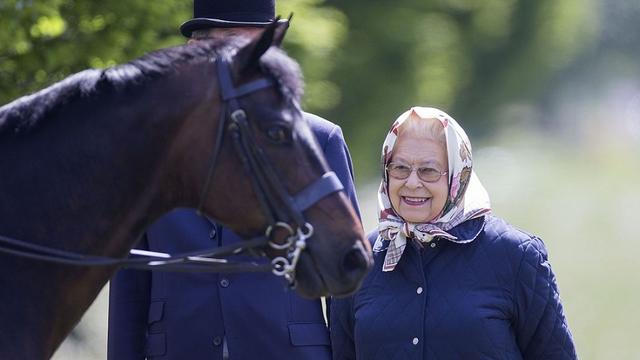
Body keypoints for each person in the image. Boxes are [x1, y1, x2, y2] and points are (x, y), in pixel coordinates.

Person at [107, 1, 361, 359]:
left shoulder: (320, 140)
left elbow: (343, 273)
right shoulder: (148, 149)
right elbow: (130, 280)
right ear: (193, 50)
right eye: (216, 44)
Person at [330, 106, 577, 359]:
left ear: (459, 176)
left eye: (428, 170)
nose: (412, 182)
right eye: (400, 168)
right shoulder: (357, 260)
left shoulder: (517, 256)